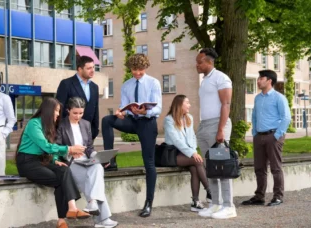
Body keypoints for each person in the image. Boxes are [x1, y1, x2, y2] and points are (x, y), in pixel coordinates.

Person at [101, 53, 162, 217]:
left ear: (146, 68)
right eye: (135, 69)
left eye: (141, 70)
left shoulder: (153, 83)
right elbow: (123, 105)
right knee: (107, 120)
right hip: (132, 121)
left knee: (149, 162)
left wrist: (145, 110)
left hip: (148, 123)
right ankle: (110, 161)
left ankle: (148, 203)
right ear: (130, 69)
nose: (137, 73)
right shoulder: (127, 85)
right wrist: (121, 113)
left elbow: (158, 109)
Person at [15, 97, 91, 228]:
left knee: (64, 169)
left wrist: (55, 160)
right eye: (56, 111)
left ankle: (71, 208)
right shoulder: (34, 124)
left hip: (41, 160)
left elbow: (51, 148)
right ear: (49, 111)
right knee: (60, 179)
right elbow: (46, 146)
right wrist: (69, 149)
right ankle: (62, 218)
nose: (57, 114)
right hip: (27, 162)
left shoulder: (49, 126)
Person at [55, 97, 118, 228]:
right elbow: (57, 147)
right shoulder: (61, 125)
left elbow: (89, 147)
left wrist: (97, 156)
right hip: (71, 162)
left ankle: (93, 203)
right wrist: (70, 152)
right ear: (68, 111)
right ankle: (102, 219)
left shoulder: (86, 124)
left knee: (98, 168)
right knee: (92, 180)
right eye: (75, 113)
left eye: (81, 113)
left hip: (86, 160)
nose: (78, 116)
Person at [195, 48, 236, 219]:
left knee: (222, 166)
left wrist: (220, 129)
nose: (196, 65)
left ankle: (229, 206)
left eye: (199, 62)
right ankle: (216, 204)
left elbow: (226, 104)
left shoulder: (221, 78)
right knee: (211, 166)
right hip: (205, 125)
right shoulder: (205, 81)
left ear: (209, 62)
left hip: (218, 125)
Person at [241, 70, 291, 207]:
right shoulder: (257, 98)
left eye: (261, 78)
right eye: (258, 78)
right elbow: (255, 116)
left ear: (269, 81)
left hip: (273, 136)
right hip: (259, 137)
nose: (258, 81)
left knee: (275, 168)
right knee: (259, 168)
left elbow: (286, 118)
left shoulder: (279, 98)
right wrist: (255, 133)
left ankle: (278, 197)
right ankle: (259, 196)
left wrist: (277, 135)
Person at [163, 95, 211, 212]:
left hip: (186, 154)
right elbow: (176, 140)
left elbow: (192, 137)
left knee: (195, 167)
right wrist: (193, 154)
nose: (189, 105)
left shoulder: (189, 117)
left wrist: (193, 151)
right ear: (180, 104)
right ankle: (211, 192)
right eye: (187, 102)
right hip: (172, 154)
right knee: (197, 160)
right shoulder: (169, 119)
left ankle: (195, 202)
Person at [56, 56, 100, 139]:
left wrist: (95, 130)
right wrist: (61, 131)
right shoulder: (66, 84)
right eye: (89, 68)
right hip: (69, 133)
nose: (93, 70)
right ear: (80, 69)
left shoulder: (94, 87)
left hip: (88, 133)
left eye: (93, 67)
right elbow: (59, 108)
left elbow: (95, 110)